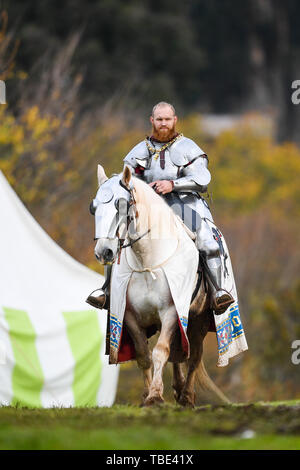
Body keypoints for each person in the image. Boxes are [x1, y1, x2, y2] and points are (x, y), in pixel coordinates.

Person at [86, 102, 234, 314]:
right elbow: (126, 181)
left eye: (167, 119)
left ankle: (217, 292)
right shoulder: (139, 152)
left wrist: (172, 184)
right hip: (148, 207)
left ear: (175, 120)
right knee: (116, 234)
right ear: (152, 121)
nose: (163, 123)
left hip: (184, 203)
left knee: (206, 238)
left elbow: (202, 179)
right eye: (159, 119)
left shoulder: (188, 148)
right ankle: (106, 292)